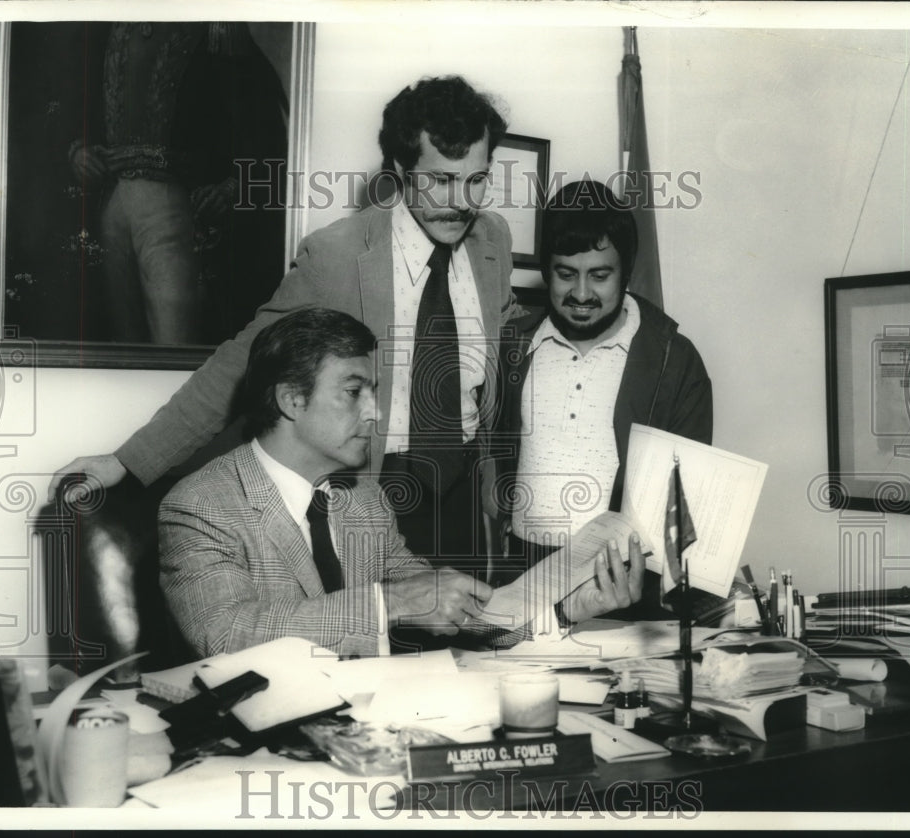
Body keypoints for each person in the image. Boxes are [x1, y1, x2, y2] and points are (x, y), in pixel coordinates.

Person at [51, 75, 519, 573]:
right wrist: (128, 461)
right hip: (376, 491)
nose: (463, 200)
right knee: (384, 641)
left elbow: (506, 343)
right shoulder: (338, 256)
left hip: (466, 490)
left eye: (477, 179)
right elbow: (240, 361)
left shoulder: (492, 241)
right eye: (442, 180)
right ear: (402, 170)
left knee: (470, 643)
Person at [159, 308, 645, 657]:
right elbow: (224, 634)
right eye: (354, 392)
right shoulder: (202, 505)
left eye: (374, 391)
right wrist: (390, 602)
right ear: (291, 400)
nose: (375, 411)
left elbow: (443, 605)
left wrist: (569, 609)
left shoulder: (363, 500)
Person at [490, 179, 712, 616]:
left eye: (600, 275)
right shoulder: (511, 346)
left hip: (626, 588)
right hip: (521, 579)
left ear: (626, 273)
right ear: (546, 269)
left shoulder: (674, 360)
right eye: (565, 273)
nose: (581, 294)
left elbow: (687, 504)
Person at [67, 21, 288, 345]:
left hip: (175, 208)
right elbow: (74, 105)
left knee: (175, 345)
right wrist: (79, 150)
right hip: (110, 203)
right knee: (118, 346)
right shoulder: (105, 25)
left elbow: (262, 123)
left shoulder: (217, 27)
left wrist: (233, 185)